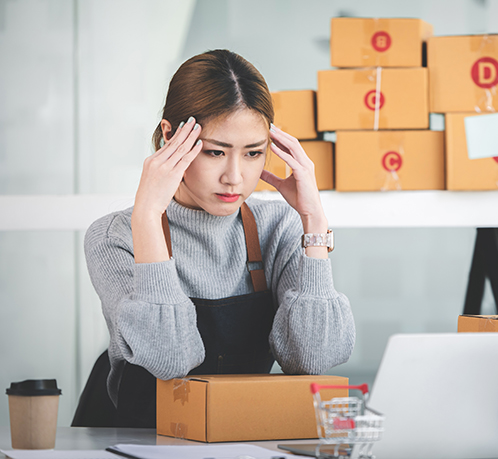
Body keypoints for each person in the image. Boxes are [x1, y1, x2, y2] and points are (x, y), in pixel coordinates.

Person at [84, 49, 355, 428]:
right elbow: (171, 360)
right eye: (215, 152)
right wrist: (147, 218)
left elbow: (313, 357)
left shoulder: (279, 228)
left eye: (253, 153)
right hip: (138, 442)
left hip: (242, 440)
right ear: (169, 136)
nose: (234, 177)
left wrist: (313, 222)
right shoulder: (114, 237)